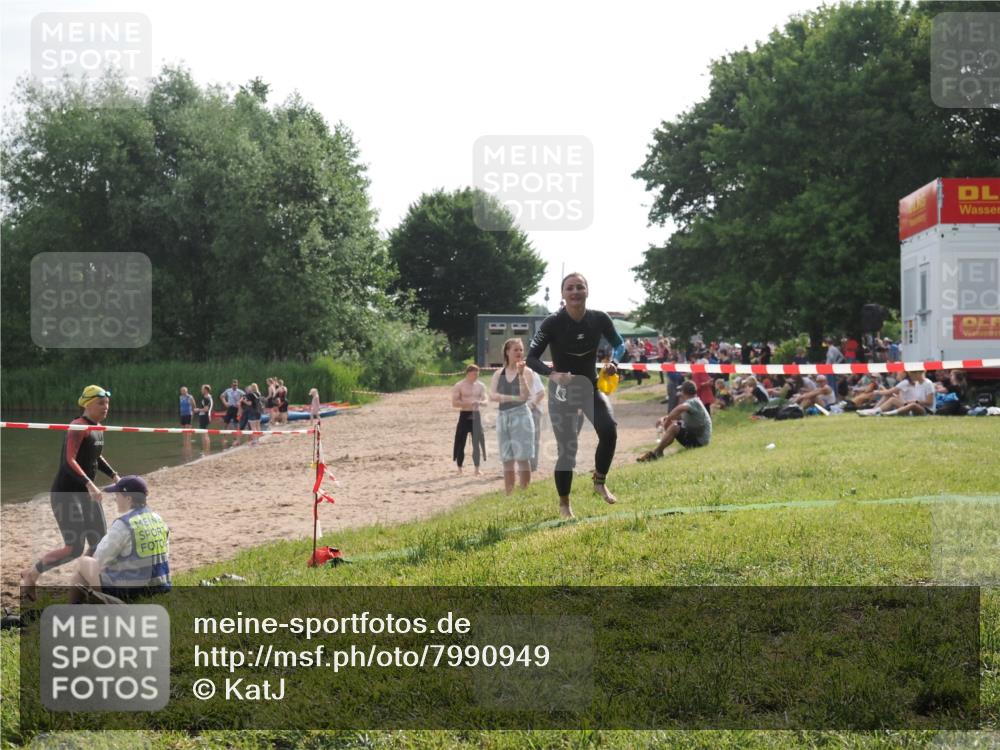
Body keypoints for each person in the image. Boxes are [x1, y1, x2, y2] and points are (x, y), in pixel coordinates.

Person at [527, 272, 625, 519]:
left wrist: (614, 362)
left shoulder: (599, 319)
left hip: (589, 387)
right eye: (570, 288)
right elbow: (531, 358)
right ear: (563, 294)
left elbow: (620, 344)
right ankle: (564, 504)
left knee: (609, 429)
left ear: (587, 291)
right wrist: (552, 374)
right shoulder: (552, 323)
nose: (575, 292)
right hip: (562, 391)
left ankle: (599, 481)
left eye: (579, 287)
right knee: (567, 449)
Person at [20, 385, 120, 599]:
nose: (106, 407)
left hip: (86, 493)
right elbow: (69, 460)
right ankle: (31, 574)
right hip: (66, 493)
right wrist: (90, 484)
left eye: (107, 404)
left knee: (99, 543)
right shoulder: (77, 426)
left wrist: (113, 475)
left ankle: (82, 581)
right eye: (101, 403)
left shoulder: (97, 427)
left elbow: (95, 456)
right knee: (73, 547)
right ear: (88, 404)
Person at [70, 475, 170, 604]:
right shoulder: (158, 519)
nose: (115, 499)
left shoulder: (124, 524)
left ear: (128, 498)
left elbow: (98, 559)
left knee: (84, 563)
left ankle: (75, 608)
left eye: (117, 495)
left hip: (134, 590)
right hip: (160, 585)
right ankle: (81, 606)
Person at [490, 338, 536, 494]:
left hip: (521, 415)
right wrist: (512, 398)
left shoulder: (527, 372)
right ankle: (509, 494)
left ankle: (524, 493)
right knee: (507, 458)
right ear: (507, 352)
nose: (519, 353)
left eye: (521, 350)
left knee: (523, 457)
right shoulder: (499, 373)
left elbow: (525, 396)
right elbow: (492, 396)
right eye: (516, 349)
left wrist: (521, 374)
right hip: (503, 416)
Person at [638, 381, 713, 461]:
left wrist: (667, 420)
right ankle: (658, 451)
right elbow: (680, 416)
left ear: (684, 392)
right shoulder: (695, 401)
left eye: (681, 391)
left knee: (675, 427)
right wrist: (665, 418)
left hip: (699, 442)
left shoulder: (692, 402)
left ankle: (656, 453)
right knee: (676, 424)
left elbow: (680, 408)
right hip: (701, 439)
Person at [451, 365, 488, 475]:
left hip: (476, 415)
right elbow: (454, 403)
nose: (476, 376)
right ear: (468, 373)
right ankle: (459, 468)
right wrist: (468, 403)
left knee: (477, 442)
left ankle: (477, 468)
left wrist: (480, 403)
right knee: (461, 442)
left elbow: (486, 400)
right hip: (464, 414)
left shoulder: (481, 385)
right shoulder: (459, 385)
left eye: (477, 374)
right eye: (474, 374)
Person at [858, 370, 935, 416]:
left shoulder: (928, 383)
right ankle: (875, 411)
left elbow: (929, 402)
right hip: (912, 405)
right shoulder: (917, 383)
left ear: (918, 373)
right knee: (892, 399)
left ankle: (888, 413)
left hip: (927, 410)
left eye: (912, 374)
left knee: (913, 405)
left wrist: (915, 402)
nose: (911, 376)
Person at [527, 366, 546, 472]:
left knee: (534, 438)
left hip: (534, 409)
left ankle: (532, 466)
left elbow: (542, 393)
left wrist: (531, 404)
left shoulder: (534, 375)